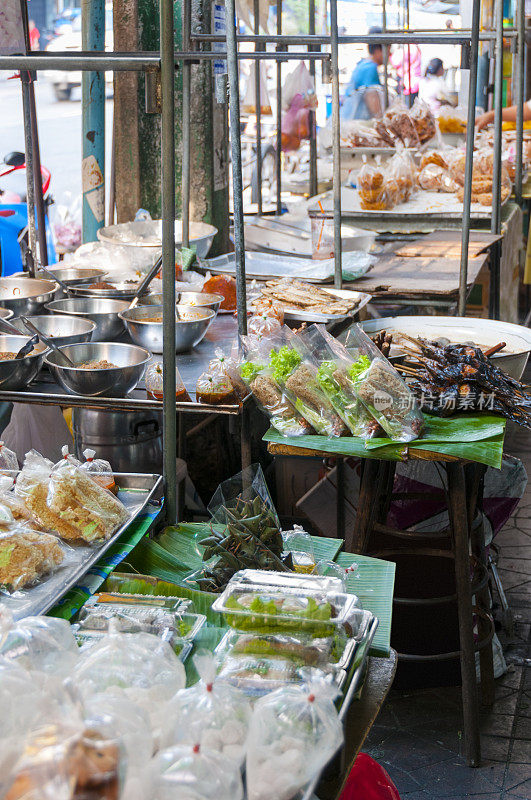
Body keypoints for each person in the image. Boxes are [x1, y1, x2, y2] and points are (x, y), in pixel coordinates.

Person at [341, 26, 384, 120]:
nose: (389, 54)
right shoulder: (370, 69)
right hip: (355, 124)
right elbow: (375, 107)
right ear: (378, 50)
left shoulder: (363, 65)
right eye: (388, 49)